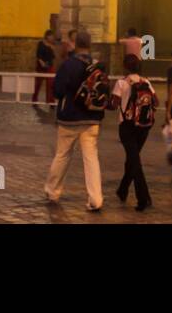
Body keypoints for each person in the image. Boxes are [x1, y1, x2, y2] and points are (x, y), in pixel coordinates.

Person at [44, 30, 106, 211]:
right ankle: (96, 199)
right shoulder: (98, 66)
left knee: (62, 155)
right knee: (91, 159)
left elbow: (57, 91)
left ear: (75, 44)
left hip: (69, 117)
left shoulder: (69, 65)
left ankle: (52, 191)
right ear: (90, 45)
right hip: (92, 118)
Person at [112, 53, 156, 211]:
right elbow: (155, 101)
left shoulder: (121, 83)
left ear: (125, 66)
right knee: (132, 159)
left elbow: (113, 104)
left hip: (127, 126)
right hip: (144, 126)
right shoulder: (146, 82)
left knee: (134, 161)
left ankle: (143, 198)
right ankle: (123, 190)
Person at [32, 29, 56, 104]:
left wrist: (53, 49)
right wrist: (41, 62)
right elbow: (38, 55)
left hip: (50, 66)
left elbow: (53, 57)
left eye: (53, 36)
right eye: (51, 36)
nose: (52, 38)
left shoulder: (53, 45)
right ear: (47, 36)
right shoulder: (41, 43)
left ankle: (50, 101)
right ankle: (34, 99)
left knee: (50, 84)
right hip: (41, 66)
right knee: (38, 83)